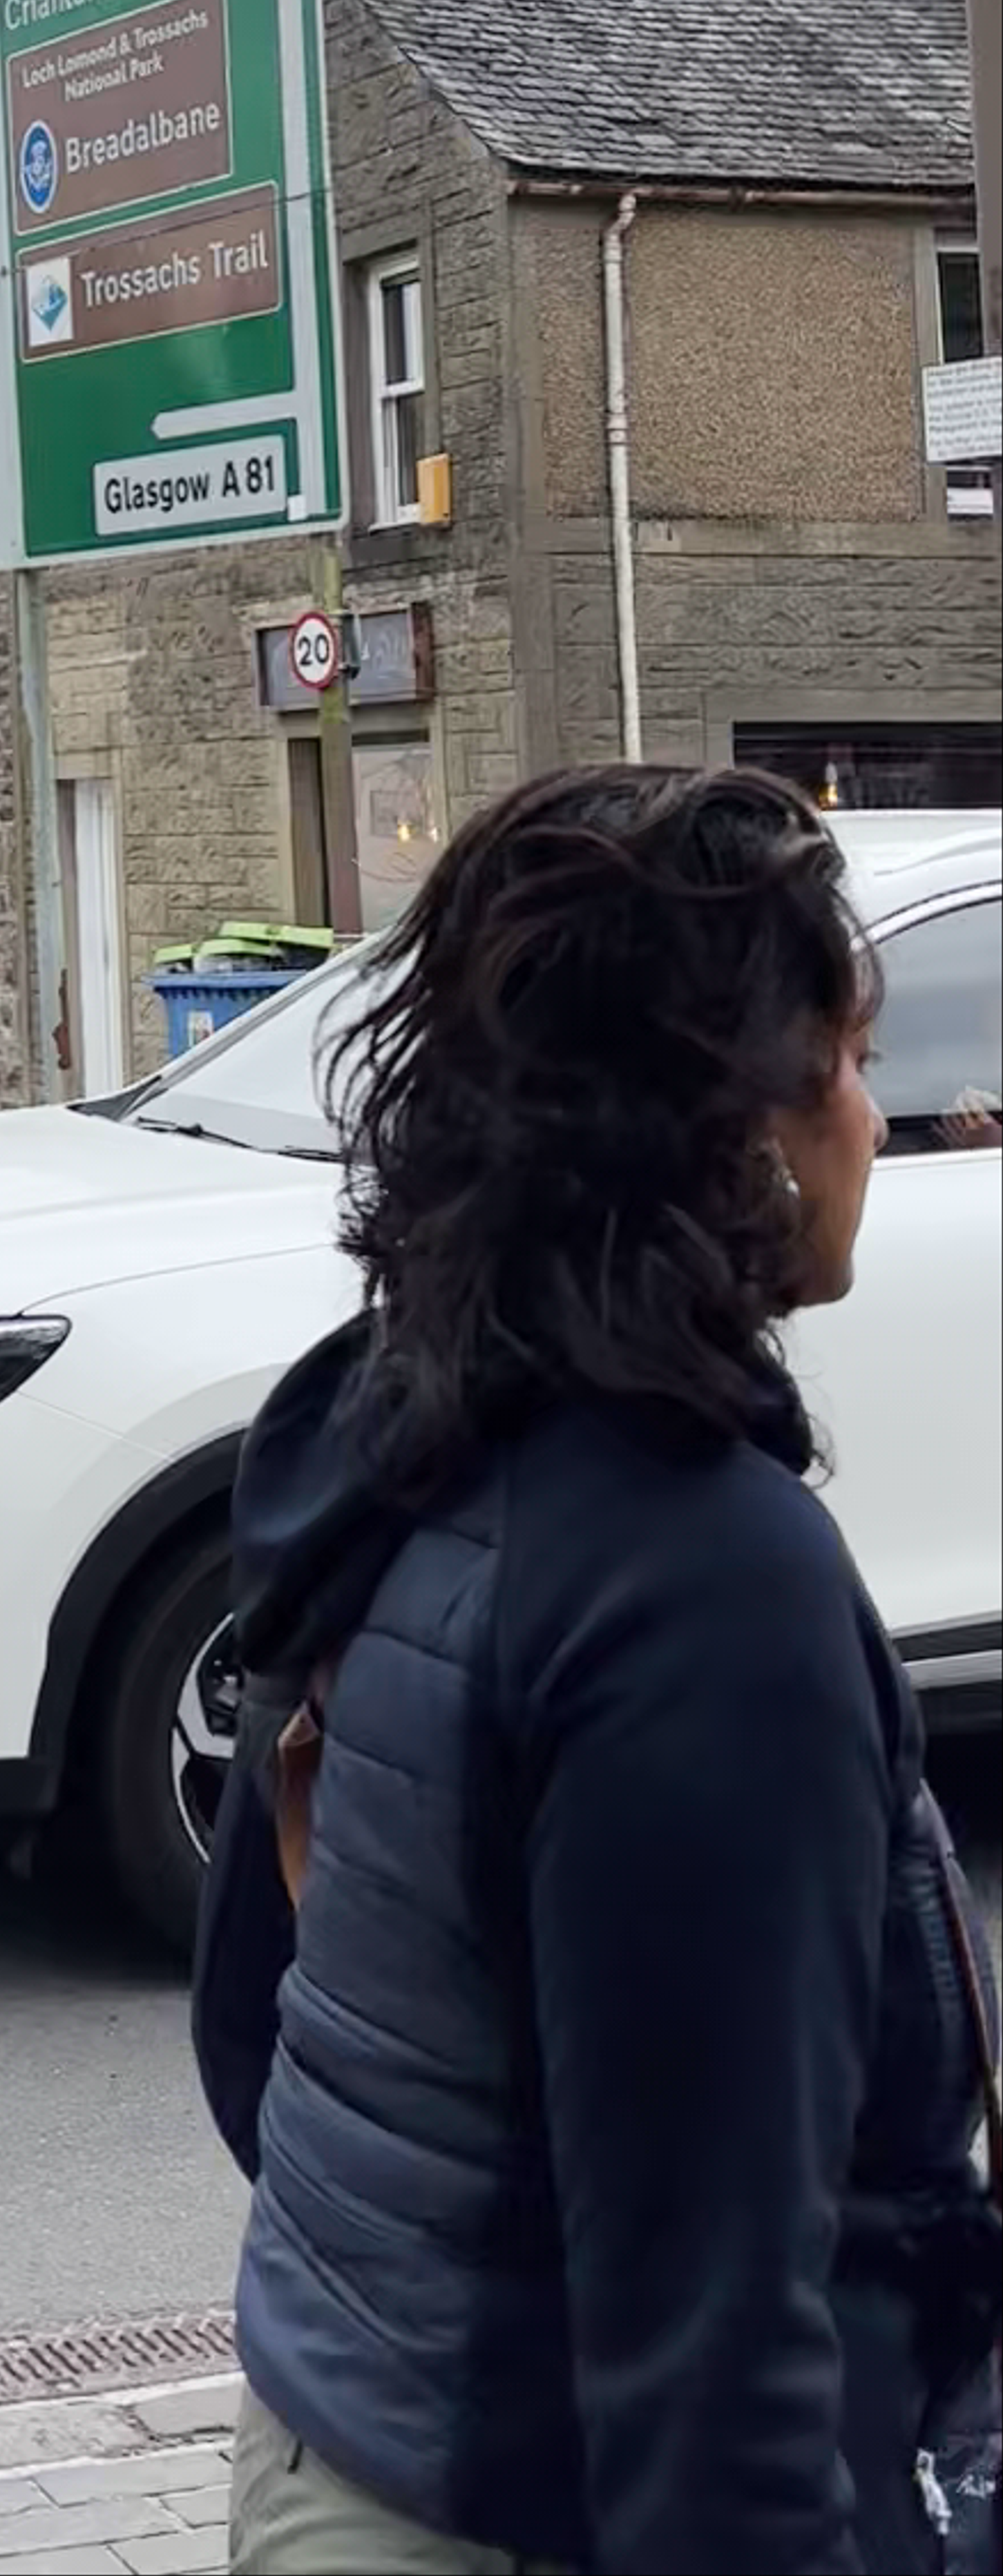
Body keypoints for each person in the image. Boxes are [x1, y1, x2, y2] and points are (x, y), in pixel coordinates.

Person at [193, 763, 1001, 2576]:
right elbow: (714, 2342)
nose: (881, 1122)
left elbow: (257, 2015)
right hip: (536, 2506)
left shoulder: (398, 1411)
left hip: (346, 2447)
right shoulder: (703, 1591)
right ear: (734, 1123)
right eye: (853, 1062)